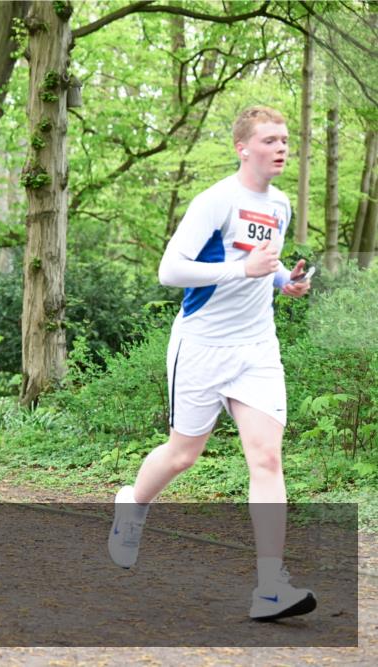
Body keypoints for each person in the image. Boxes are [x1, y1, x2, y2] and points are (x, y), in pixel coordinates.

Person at [107, 106, 315, 621]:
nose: (281, 147)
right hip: (201, 345)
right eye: (269, 140)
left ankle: (271, 587)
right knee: (183, 454)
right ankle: (133, 504)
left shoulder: (281, 204)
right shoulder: (216, 200)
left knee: (266, 459)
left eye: (284, 139)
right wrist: (242, 270)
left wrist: (283, 282)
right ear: (243, 148)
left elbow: (262, 265)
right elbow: (170, 271)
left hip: (256, 348)